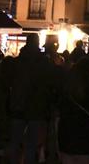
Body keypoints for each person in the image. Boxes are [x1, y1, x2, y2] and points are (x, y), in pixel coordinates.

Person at [7, 33, 57, 164]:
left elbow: (9, 81)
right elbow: (50, 83)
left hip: (18, 105)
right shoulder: (44, 63)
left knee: (15, 141)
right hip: (36, 107)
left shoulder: (17, 62)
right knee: (31, 144)